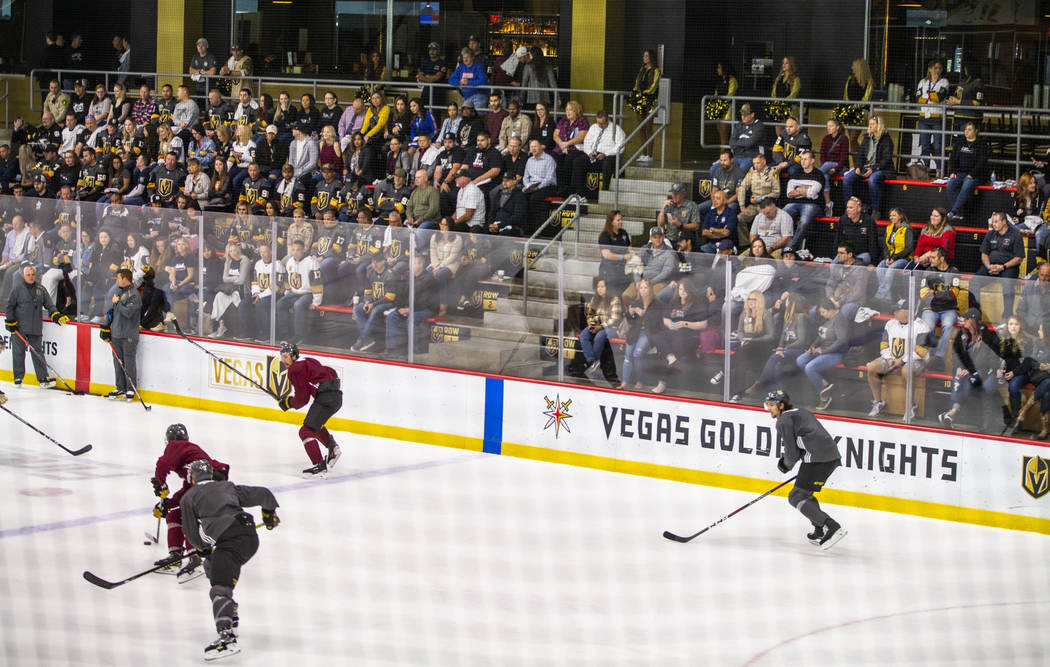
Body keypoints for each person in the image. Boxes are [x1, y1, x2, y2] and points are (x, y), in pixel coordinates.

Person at [179, 458, 279, 661]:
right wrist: (269, 515)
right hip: (249, 537)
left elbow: (191, 534)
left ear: (193, 477)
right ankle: (230, 611)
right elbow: (264, 494)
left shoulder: (189, 497)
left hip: (230, 540)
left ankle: (227, 638)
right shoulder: (228, 486)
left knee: (219, 588)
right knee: (213, 567)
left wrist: (203, 549)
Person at [763, 389, 847, 549]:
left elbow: (792, 454)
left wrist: (785, 465)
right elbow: (808, 437)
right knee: (804, 494)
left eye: (772, 405)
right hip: (828, 457)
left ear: (781, 405)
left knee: (796, 496)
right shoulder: (801, 412)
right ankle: (820, 529)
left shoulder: (783, 421)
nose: (769, 409)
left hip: (818, 459)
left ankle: (832, 526)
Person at [149, 423, 230, 579]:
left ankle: (194, 556)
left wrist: (160, 483)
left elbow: (163, 463)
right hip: (217, 488)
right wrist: (169, 503)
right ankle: (176, 556)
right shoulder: (190, 457)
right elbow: (188, 491)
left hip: (209, 488)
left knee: (187, 515)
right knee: (175, 515)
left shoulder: (176, 446)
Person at [276, 342, 343, 478]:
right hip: (335, 397)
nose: (283, 360)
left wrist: (288, 403)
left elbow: (302, 399)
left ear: (294, 356)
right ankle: (333, 449)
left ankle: (319, 466)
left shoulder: (295, 369)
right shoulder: (308, 361)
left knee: (305, 431)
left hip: (326, 398)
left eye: (286, 356)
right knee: (314, 424)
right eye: (282, 357)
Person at [937, 308, 1010, 430]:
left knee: (970, 381)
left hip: (981, 370)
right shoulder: (962, 334)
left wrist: (969, 368)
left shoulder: (988, 335)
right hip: (967, 369)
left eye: (966, 319)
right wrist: (959, 368)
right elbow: (955, 355)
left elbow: (989, 358)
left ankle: (951, 414)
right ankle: (951, 414)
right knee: (958, 380)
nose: (963, 321)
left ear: (973, 320)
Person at [5, 263, 68, 387]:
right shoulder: (17, 289)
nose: (31, 277)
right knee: (18, 353)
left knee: (38, 353)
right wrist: (10, 321)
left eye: (33, 274)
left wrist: (55, 315)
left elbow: (50, 305)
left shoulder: (41, 289)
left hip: (35, 327)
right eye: (28, 275)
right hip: (19, 328)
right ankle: (18, 378)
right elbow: (9, 307)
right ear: (23, 275)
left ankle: (43, 378)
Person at [865, 300, 931, 418]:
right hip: (892, 358)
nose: (894, 312)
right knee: (872, 367)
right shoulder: (890, 323)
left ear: (907, 311)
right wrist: (889, 359)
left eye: (897, 310)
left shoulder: (921, 326)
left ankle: (911, 406)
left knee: (906, 370)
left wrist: (902, 361)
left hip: (916, 360)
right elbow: (884, 345)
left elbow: (921, 351)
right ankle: (878, 402)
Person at [969, 211, 1024, 320]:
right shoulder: (990, 234)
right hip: (991, 266)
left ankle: (1007, 317)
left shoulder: (1015, 234)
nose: (993, 224)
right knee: (973, 281)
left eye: (996, 221)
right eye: (992, 222)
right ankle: (975, 313)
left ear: (1004, 222)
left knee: (1008, 285)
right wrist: (988, 265)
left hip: (1008, 267)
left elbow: (1019, 258)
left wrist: (1003, 267)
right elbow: (984, 254)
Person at [98, 267, 142, 400]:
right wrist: (105, 327)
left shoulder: (134, 294)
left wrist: (117, 303)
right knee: (118, 362)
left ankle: (130, 389)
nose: (117, 280)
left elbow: (128, 313)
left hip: (128, 334)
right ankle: (120, 387)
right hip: (116, 333)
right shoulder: (119, 292)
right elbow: (112, 311)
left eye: (118, 278)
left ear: (125, 279)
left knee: (129, 362)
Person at [842, 115, 894, 220]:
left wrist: (874, 169)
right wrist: (857, 167)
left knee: (873, 180)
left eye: (872, 124)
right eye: (869, 124)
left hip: (881, 169)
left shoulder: (886, 139)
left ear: (879, 126)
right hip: (866, 167)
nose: (870, 126)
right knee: (847, 179)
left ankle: (876, 210)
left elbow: (886, 159)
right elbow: (860, 154)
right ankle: (850, 207)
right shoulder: (866, 138)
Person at [917, 246, 961, 366]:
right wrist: (943, 294)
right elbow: (923, 293)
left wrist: (935, 293)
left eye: (933, 257)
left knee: (947, 325)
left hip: (949, 309)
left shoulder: (954, 271)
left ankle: (938, 357)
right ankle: (932, 351)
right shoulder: (928, 271)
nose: (930, 260)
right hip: (930, 308)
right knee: (928, 327)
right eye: (930, 257)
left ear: (942, 259)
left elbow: (954, 293)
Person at [945, 121, 988, 223]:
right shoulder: (960, 142)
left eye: (969, 129)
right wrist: (953, 172)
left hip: (974, 175)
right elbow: (953, 159)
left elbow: (982, 162)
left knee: (966, 186)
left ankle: (954, 211)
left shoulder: (981, 144)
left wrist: (972, 174)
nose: (966, 132)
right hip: (960, 173)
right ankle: (958, 213)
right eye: (965, 129)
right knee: (950, 185)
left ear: (976, 131)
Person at [580, 277, 622, 380]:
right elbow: (590, 314)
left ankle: (593, 365)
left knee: (599, 337)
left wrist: (601, 326)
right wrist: (591, 324)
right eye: (598, 287)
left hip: (611, 327)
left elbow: (615, 319)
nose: (600, 289)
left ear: (607, 288)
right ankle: (592, 362)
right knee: (584, 335)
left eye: (602, 286)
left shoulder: (615, 299)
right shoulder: (595, 299)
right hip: (597, 326)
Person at [576, 110, 624, 195]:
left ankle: (604, 191)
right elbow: (587, 142)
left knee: (607, 163)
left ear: (608, 120)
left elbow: (620, 147)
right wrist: (589, 153)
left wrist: (606, 154)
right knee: (578, 162)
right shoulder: (594, 127)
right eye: (598, 123)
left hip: (608, 156)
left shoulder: (616, 129)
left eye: (602, 123)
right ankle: (579, 193)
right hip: (594, 155)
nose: (600, 126)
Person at [872, 208, 915, 302]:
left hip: (904, 258)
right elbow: (886, 245)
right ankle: (887, 297)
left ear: (900, 216)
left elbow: (909, 248)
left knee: (891, 269)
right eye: (890, 215)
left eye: (894, 215)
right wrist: (887, 257)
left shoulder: (907, 229)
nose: (891, 217)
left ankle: (880, 295)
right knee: (880, 268)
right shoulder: (889, 228)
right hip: (891, 257)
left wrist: (894, 258)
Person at [915, 59, 949, 173]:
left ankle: (940, 170)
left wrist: (927, 96)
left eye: (939, 68)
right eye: (935, 68)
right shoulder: (922, 82)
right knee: (925, 146)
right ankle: (925, 171)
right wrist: (931, 97)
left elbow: (939, 98)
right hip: (924, 118)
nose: (937, 70)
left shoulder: (944, 82)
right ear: (929, 69)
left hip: (938, 118)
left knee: (938, 146)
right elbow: (918, 99)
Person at [627, 49, 660, 163]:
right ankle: (643, 153)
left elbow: (654, 85)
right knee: (641, 128)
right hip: (640, 99)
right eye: (643, 56)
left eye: (646, 56)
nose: (644, 58)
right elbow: (637, 83)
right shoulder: (642, 70)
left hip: (649, 100)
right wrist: (637, 92)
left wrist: (645, 92)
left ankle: (649, 155)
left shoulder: (656, 70)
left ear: (651, 57)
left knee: (648, 128)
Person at [818, 118, 850, 217]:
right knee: (825, 176)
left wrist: (835, 169)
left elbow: (843, 158)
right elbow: (822, 156)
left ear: (837, 127)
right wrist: (828, 168)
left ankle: (813, 177)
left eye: (831, 126)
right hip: (827, 168)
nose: (829, 128)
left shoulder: (844, 139)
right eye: (827, 126)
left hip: (841, 167)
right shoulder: (825, 138)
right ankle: (828, 204)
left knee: (826, 165)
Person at [658, 182, 701, 253]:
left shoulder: (692, 206)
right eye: (672, 193)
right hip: (669, 239)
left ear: (683, 194)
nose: (673, 196)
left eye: (676, 194)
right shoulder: (669, 205)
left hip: (685, 240)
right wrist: (662, 209)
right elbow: (660, 224)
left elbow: (696, 226)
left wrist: (681, 225)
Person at [726, 104, 766, 172]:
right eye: (742, 114)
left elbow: (750, 143)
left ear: (752, 114)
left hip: (753, 157)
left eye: (746, 114)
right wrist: (744, 143)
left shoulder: (759, 126)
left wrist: (738, 142)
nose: (743, 117)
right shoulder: (739, 125)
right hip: (737, 156)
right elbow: (731, 143)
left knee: (740, 170)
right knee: (715, 168)